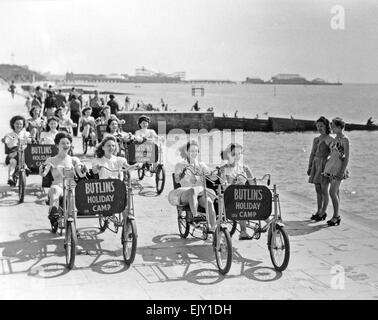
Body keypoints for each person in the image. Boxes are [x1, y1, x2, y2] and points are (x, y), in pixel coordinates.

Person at [168, 140, 217, 232]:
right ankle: (196, 216)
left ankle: (213, 228)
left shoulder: (201, 165)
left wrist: (214, 173)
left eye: (195, 151)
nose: (194, 153)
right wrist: (182, 174)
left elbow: (212, 176)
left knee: (209, 201)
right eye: (191, 151)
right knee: (192, 190)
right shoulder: (180, 165)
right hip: (184, 192)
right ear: (187, 152)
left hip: (200, 193)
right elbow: (177, 180)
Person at [39, 132, 86, 224]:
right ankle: (54, 212)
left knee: (72, 198)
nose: (66, 145)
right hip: (58, 185)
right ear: (57, 145)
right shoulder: (51, 160)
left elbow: (80, 174)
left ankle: (74, 228)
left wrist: (83, 170)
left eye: (68, 143)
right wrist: (42, 170)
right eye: (63, 143)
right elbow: (44, 173)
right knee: (54, 190)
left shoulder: (74, 160)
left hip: (71, 186)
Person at [219, 143, 254, 240]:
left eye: (239, 154)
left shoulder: (244, 168)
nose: (237, 156)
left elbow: (254, 185)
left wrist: (249, 178)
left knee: (260, 198)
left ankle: (271, 224)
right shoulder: (224, 169)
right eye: (234, 154)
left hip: (244, 195)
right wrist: (234, 182)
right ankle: (243, 231)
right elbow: (224, 187)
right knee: (241, 200)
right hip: (231, 197)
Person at [323, 117, 350, 226]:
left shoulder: (345, 140)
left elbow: (346, 157)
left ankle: (336, 216)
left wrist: (341, 171)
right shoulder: (335, 139)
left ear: (339, 127)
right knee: (336, 192)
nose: (331, 128)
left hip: (338, 169)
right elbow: (333, 153)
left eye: (333, 126)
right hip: (331, 167)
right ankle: (336, 215)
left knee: (332, 192)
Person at [307, 116, 333, 221]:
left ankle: (323, 212)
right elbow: (312, 153)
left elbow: (334, 153)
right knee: (317, 189)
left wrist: (330, 165)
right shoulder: (316, 139)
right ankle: (318, 211)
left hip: (324, 165)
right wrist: (309, 166)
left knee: (324, 190)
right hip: (315, 164)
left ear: (326, 126)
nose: (319, 128)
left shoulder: (329, 139)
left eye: (321, 126)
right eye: (317, 126)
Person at [1, 116, 31, 186]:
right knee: (12, 162)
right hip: (13, 152)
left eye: (20, 124)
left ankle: (25, 167)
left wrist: (29, 140)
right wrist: (5, 140)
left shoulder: (26, 134)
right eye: (17, 124)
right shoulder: (9, 135)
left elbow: (30, 140)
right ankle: (10, 178)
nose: (19, 125)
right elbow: (7, 141)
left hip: (25, 152)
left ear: (23, 125)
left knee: (21, 153)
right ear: (13, 124)